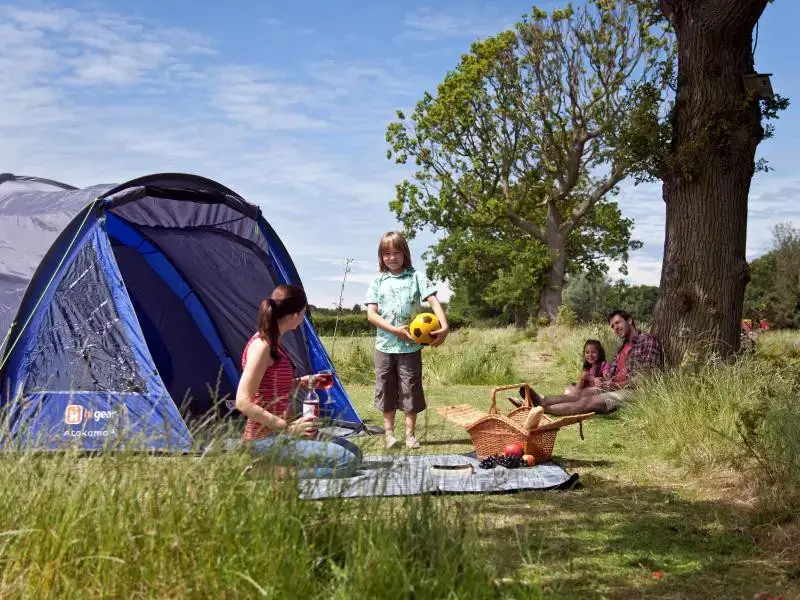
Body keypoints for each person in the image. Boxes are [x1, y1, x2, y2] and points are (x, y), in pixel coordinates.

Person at [235, 284, 362, 479]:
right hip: (264, 439)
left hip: (282, 435)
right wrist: (288, 427)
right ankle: (269, 470)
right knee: (347, 461)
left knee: (355, 453)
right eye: (303, 313)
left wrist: (300, 382)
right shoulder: (262, 346)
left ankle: (275, 462)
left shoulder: (275, 343)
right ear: (295, 315)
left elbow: (269, 384)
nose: (303, 318)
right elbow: (243, 402)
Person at [365, 231, 449, 450]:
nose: (392, 257)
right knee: (386, 388)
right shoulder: (378, 281)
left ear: (405, 253)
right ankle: (389, 435)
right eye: (387, 254)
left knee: (411, 389)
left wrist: (445, 326)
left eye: (397, 252)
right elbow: (371, 315)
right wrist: (395, 330)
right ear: (381, 256)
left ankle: (410, 435)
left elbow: (433, 301)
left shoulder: (416, 277)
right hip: (385, 346)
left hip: (411, 347)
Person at [530, 310, 663, 416]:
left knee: (587, 402)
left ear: (629, 320)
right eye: (612, 326)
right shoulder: (622, 347)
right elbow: (613, 374)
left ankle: (540, 410)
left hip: (632, 391)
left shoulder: (647, 341)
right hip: (614, 386)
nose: (615, 328)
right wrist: (603, 380)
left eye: (618, 323)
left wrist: (614, 385)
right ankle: (541, 401)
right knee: (578, 394)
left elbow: (645, 379)